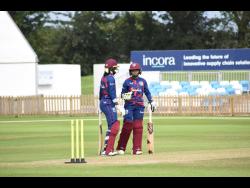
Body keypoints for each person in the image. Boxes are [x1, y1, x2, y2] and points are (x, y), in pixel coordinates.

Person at [116, 62, 156, 155]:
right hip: (129, 106)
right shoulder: (127, 82)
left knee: (138, 127)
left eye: (136, 70)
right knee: (128, 125)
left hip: (139, 106)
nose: (135, 72)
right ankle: (121, 147)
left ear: (139, 71)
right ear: (130, 71)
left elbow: (147, 92)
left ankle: (137, 148)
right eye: (133, 70)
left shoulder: (143, 81)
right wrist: (127, 95)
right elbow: (122, 95)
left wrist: (151, 101)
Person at [99, 58, 121, 156]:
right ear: (111, 69)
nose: (116, 70)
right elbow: (112, 93)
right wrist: (117, 106)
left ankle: (105, 149)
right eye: (115, 68)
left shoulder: (103, 77)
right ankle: (109, 150)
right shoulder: (110, 78)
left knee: (110, 126)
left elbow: (100, 93)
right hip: (108, 103)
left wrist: (100, 104)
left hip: (104, 102)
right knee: (114, 125)